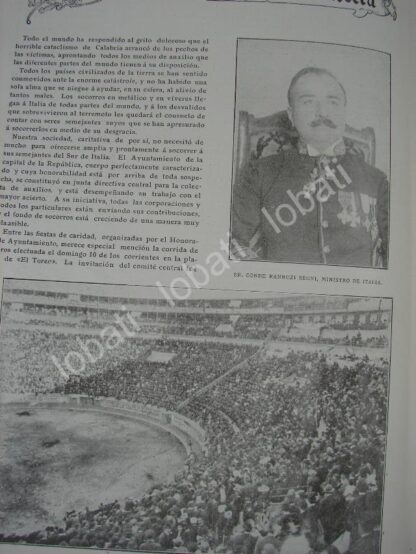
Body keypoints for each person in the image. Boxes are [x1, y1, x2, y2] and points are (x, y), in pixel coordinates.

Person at [231, 67, 389, 268]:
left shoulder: (377, 181)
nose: (323, 112)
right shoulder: (258, 173)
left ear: (344, 111)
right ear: (291, 115)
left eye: (333, 102)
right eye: (308, 101)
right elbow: (234, 244)